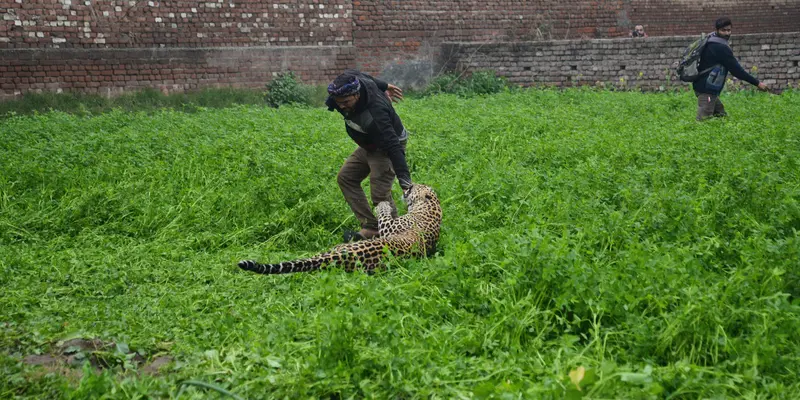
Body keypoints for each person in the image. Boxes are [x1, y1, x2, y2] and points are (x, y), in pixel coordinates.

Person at [326, 69, 412, 241]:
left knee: (380, 194)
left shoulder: (376, 113)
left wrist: (405, 182)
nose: (341, 106)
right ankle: (371, 227)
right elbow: (364, 76)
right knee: (346, 177)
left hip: (386, 146)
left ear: (356, 95)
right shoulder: (352, 83)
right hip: (369, 144)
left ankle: (396, 237)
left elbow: (393, 146)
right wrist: (385, 85)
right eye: (338, 102)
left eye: (346, 102)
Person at [692, 17, 769, 121]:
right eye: (723, 30)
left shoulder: (710, 40)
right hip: (706, 90)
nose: (727, 33)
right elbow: (737, 71)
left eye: (729, 30)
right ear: (717, 30)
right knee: (703, 121)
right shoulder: (720, 47)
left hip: (704, 86)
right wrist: (757, 83)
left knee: (721, 116)